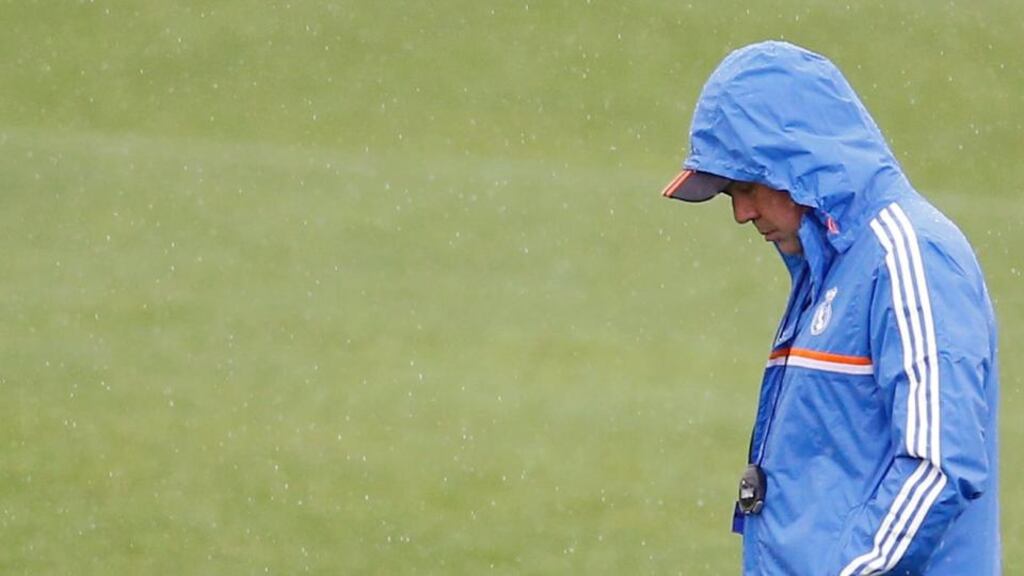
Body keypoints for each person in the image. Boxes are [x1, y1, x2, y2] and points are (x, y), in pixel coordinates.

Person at [661, 41, 1000, 575]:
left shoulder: (908, 255)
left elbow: (937, 467)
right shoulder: (828, 273)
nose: (741, 214)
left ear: (801, 166)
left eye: (746, 187)